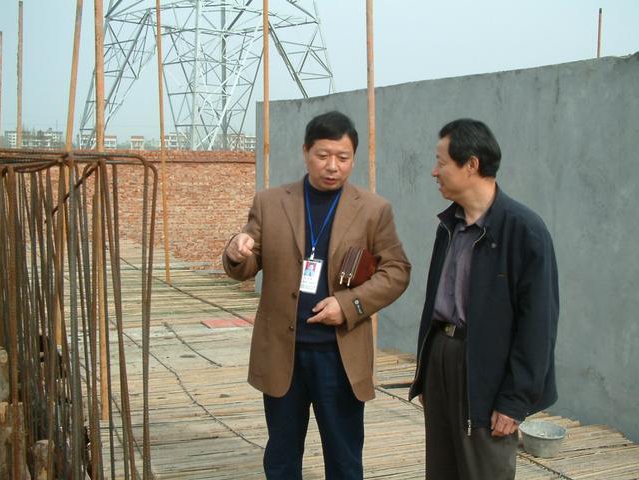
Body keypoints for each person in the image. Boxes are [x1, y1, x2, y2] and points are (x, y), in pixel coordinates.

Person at [223, 110, 411, 479]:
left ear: (353, 158)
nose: (333, 166)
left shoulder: (374, 210)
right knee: (281, 458)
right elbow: (247, 263)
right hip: (283, 353)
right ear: (306, 152)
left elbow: (397, 271)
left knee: (344, 460)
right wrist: (236, 252)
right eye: (323, 155)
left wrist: (348, 305)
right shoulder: (270, 202)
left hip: (340, 356)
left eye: (343, 157)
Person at [409, 118, 559, 479]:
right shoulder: (449, 226)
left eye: (442, 162)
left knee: (485, 470)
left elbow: (539, 325)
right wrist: (427, 373)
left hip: (486, 372)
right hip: (442, 359)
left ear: (471, 164)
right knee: (441, 469)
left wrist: (515, 400)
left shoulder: (524, 230)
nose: (434, 171)